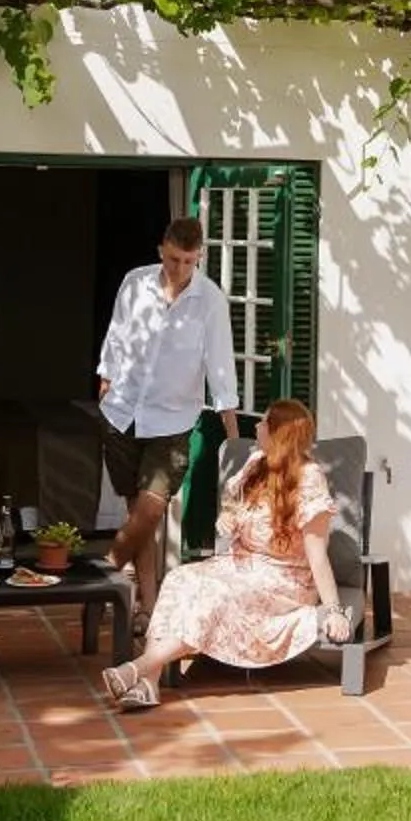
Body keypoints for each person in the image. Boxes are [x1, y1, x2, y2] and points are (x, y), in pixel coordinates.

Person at [102, 398, 349, 710]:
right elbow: (234, 507)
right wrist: (230, 517)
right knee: (180, 578)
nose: (257, 426)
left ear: (279, 434)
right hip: (240, 565)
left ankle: (138, 667)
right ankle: (149, 684)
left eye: (264, 422)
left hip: (283, 582)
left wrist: (335, 610)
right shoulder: (256, 465)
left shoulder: (309, 479)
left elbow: (317, 556)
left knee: (212, 593)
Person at [95, 215, 242, 617]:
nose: (180, 269)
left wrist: (233, 438)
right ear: (162, 248)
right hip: (123, 413)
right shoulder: (134, 282)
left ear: (199, 257)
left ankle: (102, 580)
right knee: (137, 516)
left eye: (188, 262)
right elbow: (116, 335)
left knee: (151, 510)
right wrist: (105, 381)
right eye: (174, 259)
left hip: (172, 422)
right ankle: (148, 606)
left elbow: (221, 367)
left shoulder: (209, 300)